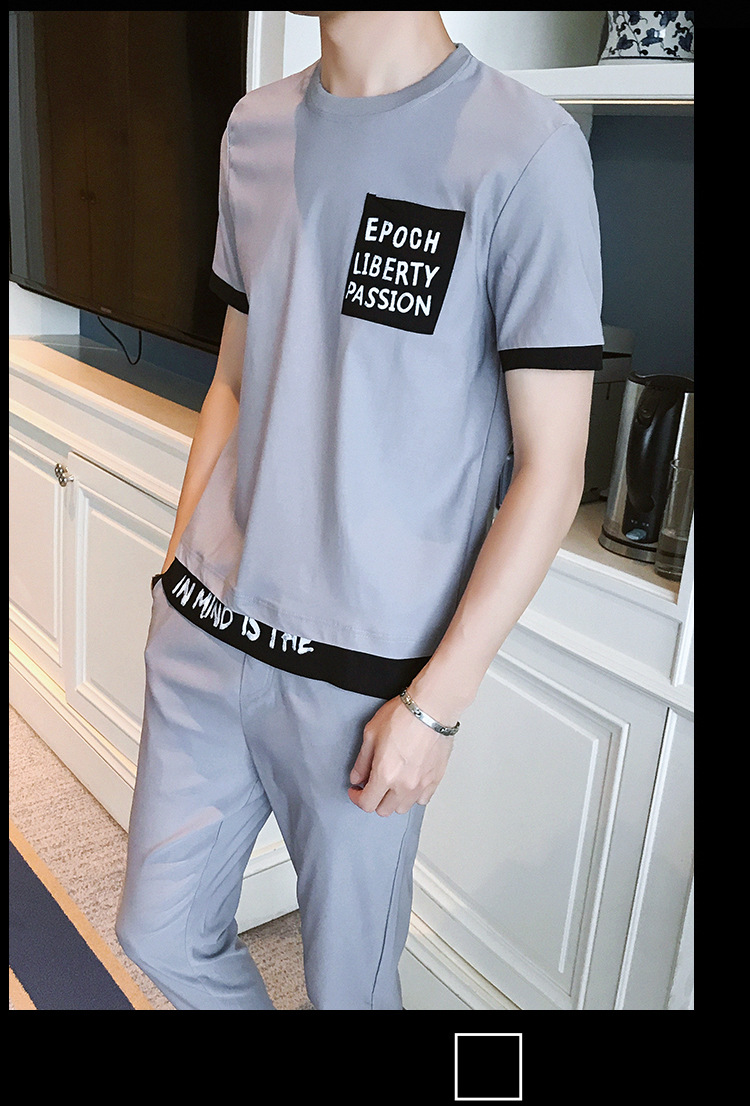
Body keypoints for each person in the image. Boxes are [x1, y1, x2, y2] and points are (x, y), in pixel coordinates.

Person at [115, 10, 603, 1011]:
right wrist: (175, 573)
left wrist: (436, 703)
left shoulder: (526, 150)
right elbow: (234, 384)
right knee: (156, 931)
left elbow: (552, 471)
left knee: (350, 990)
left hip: (365, 688)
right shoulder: (253, 128)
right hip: (207, 630)